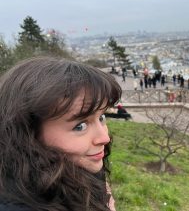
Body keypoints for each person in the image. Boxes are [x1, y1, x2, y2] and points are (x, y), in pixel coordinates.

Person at [0, 57, 121, 211]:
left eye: (102, 117)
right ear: (28, 133)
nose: (104, 138)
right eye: (80, 126)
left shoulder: (75, 167)